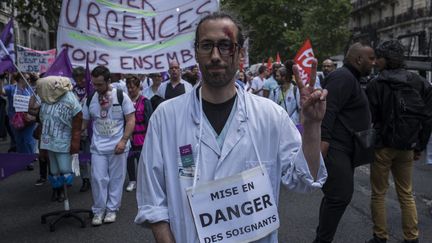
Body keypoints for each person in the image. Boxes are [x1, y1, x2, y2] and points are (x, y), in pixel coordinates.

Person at [135, 11, 328, 243]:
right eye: (207, 45)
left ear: (239, 53)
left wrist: (313, 126)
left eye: (225, 45)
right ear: (196, 52)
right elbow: (153, 201)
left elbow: (305, 180)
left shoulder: (270, 115)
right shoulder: (165, 118)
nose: (216, 55)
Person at [365, 40, 432, 243]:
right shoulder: (420, 82)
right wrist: (419, 144)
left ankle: (380, 236)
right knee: (406, 193)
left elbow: (370, 117)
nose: (375, 62)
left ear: (386, 60)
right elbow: (427, 118)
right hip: (407, 146)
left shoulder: (376, 84)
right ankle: (411, 237)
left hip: (383, 146)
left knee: (378, 193)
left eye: (379, 58)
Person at [313, 42, 376, 243]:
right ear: (358, 59)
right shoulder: (343, 77)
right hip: (335, 147)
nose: (374, 63)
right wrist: (323, 143)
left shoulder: (351, 78)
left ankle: (322, 239)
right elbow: (328, 110)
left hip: (345, 148)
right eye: (371, 58)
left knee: (335, 195)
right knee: (339, 195)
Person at [82, 66, 135, 226]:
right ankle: (98, 211)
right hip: (98, 147)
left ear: (108, 81)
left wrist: (124, 141)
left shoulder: (121, 96)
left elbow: (131, 120)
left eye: (99, 84)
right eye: (94, 84)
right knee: (98, 179)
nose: (96, 88)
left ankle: (112, 210)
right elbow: (84, 123)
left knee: (116, 179)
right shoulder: (90, 99)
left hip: (118, 146)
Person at [37, 75, 82, 202]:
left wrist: (75, 144)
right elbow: (41, 120)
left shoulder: (70, 99)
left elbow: (77, 121)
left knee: (64, 169)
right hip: (48, 141)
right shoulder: (46, 100)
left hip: (63, 141)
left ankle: (64, 192)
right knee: (54, 170)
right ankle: (56, 190)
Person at [0, 73, 37, 169]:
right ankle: (22, 159)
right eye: (27, 79)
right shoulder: (11, 88)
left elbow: (36, 102)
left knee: (28, 140)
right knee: (19, 140)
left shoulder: (30, 89)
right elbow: (2, 92)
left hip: (29, 119)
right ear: (20, 79)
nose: (28, 81)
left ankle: (29, 160)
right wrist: (1, 79)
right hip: (15, 120)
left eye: (29, 79)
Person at [125, 75, 153, 192]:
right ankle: (132, 181)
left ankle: (144, 182)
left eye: (132, 87)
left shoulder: (145, 101)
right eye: (128, 87)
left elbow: (150, 121)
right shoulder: (125, 101)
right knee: (129, 161)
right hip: (129, 139)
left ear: (138, 87)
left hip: (142, 138)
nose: (130, 90)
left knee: (143, 162)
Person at [72, 66, 91, 192]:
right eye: (77, 80)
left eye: (82, 79)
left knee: (93, 155)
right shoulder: (72, 91)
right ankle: (85, 180)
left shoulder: (92, 90)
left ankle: (98, 178)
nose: (80, 82)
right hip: (77, 128)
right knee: (81, 157)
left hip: (91, 129)